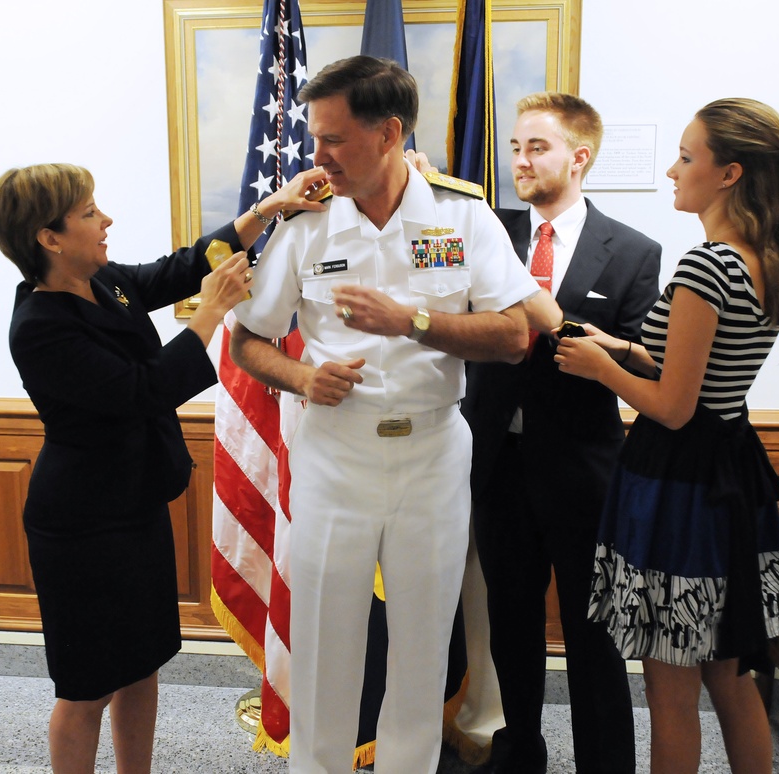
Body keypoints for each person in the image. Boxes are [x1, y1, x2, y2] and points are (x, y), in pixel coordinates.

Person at [228, 56, 538, 774]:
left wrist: (412, 321)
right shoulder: (307, 225)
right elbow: (248, 341)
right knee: (326, 643)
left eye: (334, 139)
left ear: (390, 132)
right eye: (315, 138)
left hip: (432, 452)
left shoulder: (460, 216)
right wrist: (302, 374)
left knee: (425, 642)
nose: (319, 156)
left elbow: (517, 335)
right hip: (335, 455)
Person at [0, 162, 327, 774]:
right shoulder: (40, 325)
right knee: (87, 685)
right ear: (49, 237)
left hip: (135, 508)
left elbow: (183, 266)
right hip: (82, 527)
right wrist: (210, 314)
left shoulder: (103, 281)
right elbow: (141, 390)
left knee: (140, 664)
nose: (105, 219)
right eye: (89, 212)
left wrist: (271, 207)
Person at [556, 98, 779, 773]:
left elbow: (674, 408)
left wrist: (600, 366)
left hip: (678, 491)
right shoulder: (760, 258)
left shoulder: (706, 266)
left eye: (686, 157)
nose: (673, 171)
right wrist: (625, 345)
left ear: (728, 174)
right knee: (730, 682)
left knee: (671, 692)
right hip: (729, 478)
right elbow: (702, 377)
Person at [460, 92, 662, 773]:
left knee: (592, 636)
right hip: (497, 468)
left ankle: (604, 763)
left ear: (580, 157)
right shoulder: (488, 233)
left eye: (536, 147)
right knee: (511, 629)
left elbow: (639, 352)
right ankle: (520, 752)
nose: (520, 159)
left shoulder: (635, 251)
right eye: (515, 146)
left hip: (583, 474)